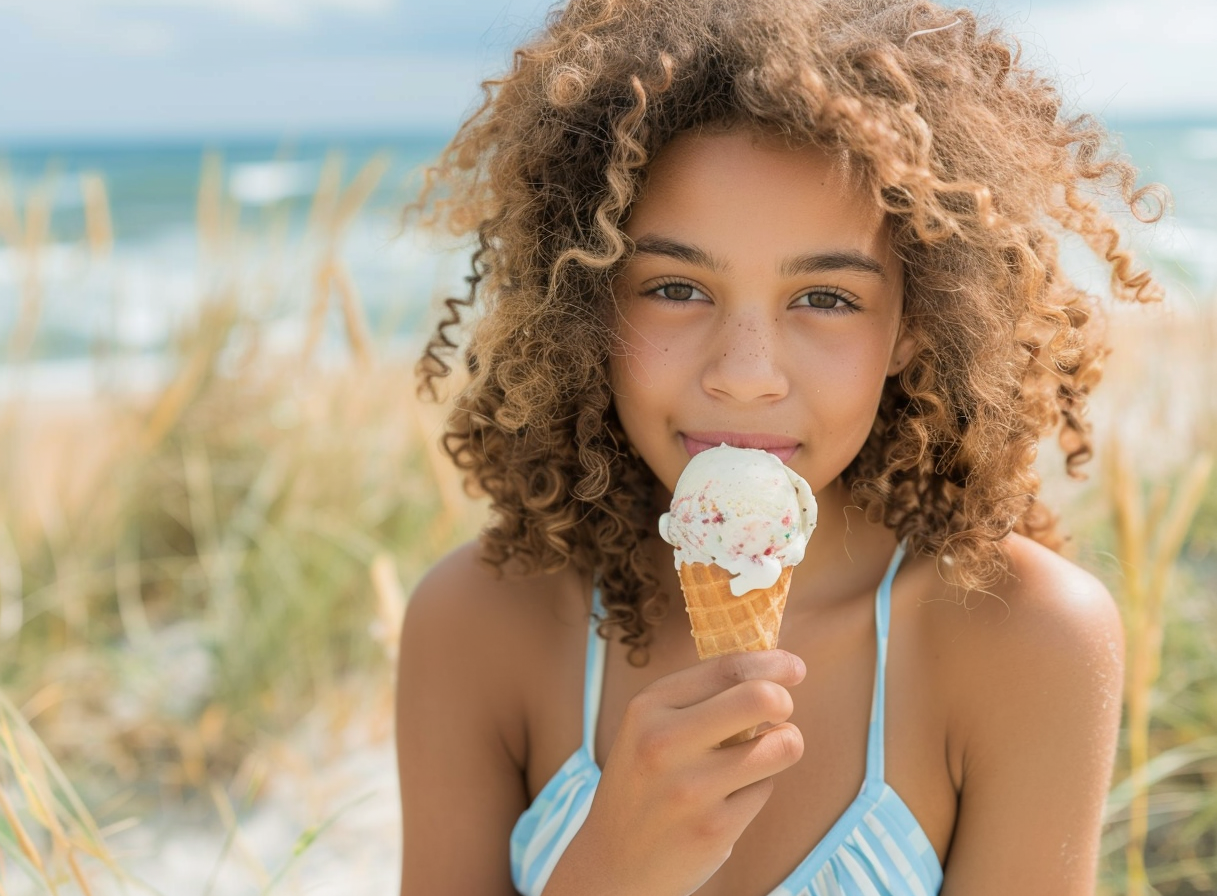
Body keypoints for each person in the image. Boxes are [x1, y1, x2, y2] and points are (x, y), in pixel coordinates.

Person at [396, 1, 1165, 893]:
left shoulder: (1028, 641)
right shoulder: (476, 626)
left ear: (913, 326)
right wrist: (609, 872)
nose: (746, 375)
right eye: (676, 287)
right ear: (586, 306)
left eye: (826, 298)